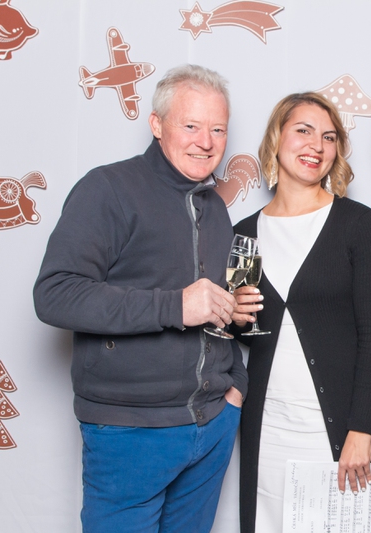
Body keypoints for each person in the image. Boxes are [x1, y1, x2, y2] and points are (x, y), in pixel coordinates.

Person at [33, 64, 248, 533]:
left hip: (212, 423)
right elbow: (54, 294)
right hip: (131, 431)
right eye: (190, 126)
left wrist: (236, 385)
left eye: (218, 129)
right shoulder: (108, 189)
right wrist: (175, 306)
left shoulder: (216, 208)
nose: (206, 142)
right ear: (156, 125)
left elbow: (212, 309)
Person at [232, 92, 371, 533]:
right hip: (267, 427)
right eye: (303, 131)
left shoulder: (358, 224)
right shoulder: (244, 234)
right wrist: (234, 315)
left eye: (328, 137)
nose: (316, 146)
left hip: (336, 430)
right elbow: (243, 330)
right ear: (276, 138)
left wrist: (361, 430)